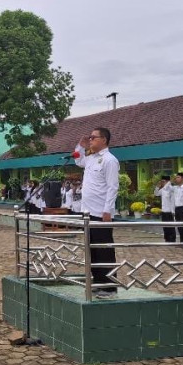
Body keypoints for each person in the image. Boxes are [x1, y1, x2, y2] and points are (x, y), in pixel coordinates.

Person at [75, 127, 120, 298]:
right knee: (92, 251)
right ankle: (98, 282)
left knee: (104, 251)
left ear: (104, 140)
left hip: (101, 213)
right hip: (87, 212)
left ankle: (110, 287)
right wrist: (80, 146)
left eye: (94, 137)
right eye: (90, 137)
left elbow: (112, 187)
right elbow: (78, 161)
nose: (91, 140)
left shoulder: (109, 160)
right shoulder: (91, 158)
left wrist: (107, 210)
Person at [154, 176, 177, 242]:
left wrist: (169, 182)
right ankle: (167, 238)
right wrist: (157, 186)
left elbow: (173, 201)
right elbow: (156, 194)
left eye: (163, 181)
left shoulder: (171, 189)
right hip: (164, 211)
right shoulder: (163, 189)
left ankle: (172, 239)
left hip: (169, 211)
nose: (162, 183)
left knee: (170, 226)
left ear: (167, 181)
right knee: (165, 226)